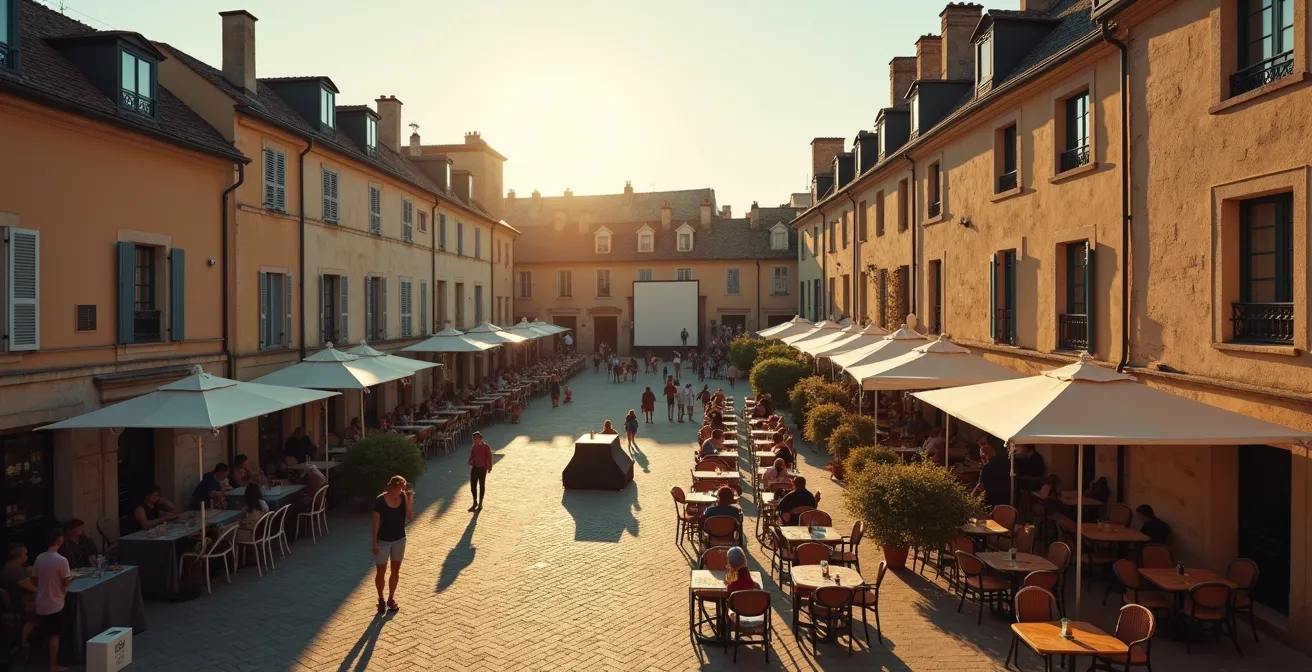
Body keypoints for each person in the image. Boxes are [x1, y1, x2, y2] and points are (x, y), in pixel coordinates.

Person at [371, 476, 415, 613]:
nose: (399, 491)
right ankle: (381, 599)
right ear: (391, 487)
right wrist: (374, 543)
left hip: (399, 540)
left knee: (395, 571)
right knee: (381, 572)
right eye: (396, 488)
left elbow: (410, 517)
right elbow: (375, 523)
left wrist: (409, 500)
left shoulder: (403, 498)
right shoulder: (379, 500)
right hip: (383, 541)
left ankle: (391, 598)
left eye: (401, 488)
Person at [33, 528, 71, 672]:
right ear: (59, 540)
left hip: (41, 602)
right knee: (54, 634)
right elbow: (66, 581)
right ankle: (53, 665)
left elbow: (35, 579)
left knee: (47, 631)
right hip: (55, 603)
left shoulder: (39, 558)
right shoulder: (61, 561)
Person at [468, 432, 493, 512]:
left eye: (476, 438)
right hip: (475, 468)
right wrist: (471, 461)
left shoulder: (486, 447)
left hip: (482, 468)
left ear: (480, 438)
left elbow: (489, 457)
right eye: (473, 439)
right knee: (473, 486)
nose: (475, 440)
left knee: (482, 486)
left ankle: (480, 503)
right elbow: (471, 457)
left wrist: (489, 467)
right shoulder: (474, 447)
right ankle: (475, 502)